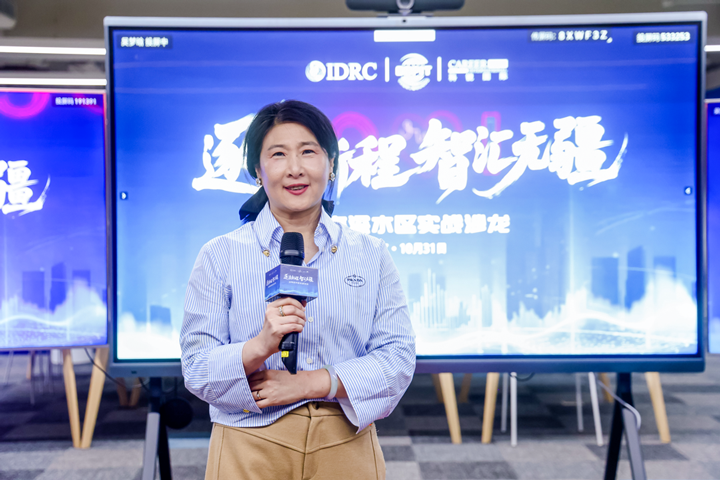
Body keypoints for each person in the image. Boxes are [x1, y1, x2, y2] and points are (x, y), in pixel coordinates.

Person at [180, 100, 416, 480]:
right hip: (250, 439)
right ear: (257, 172)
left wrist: (308, 383)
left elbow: (397, 359)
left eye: (308, 151)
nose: (295, 168)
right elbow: (196, 368)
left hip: (345, 437)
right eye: (278, 154)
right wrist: (259, 346)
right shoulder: (219, 255)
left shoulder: (370, 254)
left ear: (331, 164)